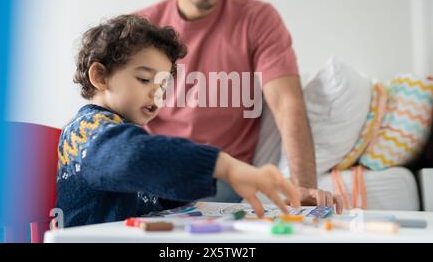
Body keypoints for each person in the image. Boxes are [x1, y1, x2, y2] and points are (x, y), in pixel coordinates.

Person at [136, 0, 343, 211]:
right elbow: (120, 111)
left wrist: (301, 188)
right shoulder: (142, 26)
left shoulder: (257, 20)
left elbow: (286, 104)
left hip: (220, 175)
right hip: (156, 165)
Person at [56, 14, 300, 227]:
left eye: (163, 85)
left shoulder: (122, 133)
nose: (157, 94)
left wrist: (214, 177)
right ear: (100, 76)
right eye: (144, 79)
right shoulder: (85, 131)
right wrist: (223, 165)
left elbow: (153, 196)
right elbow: (134, 156)